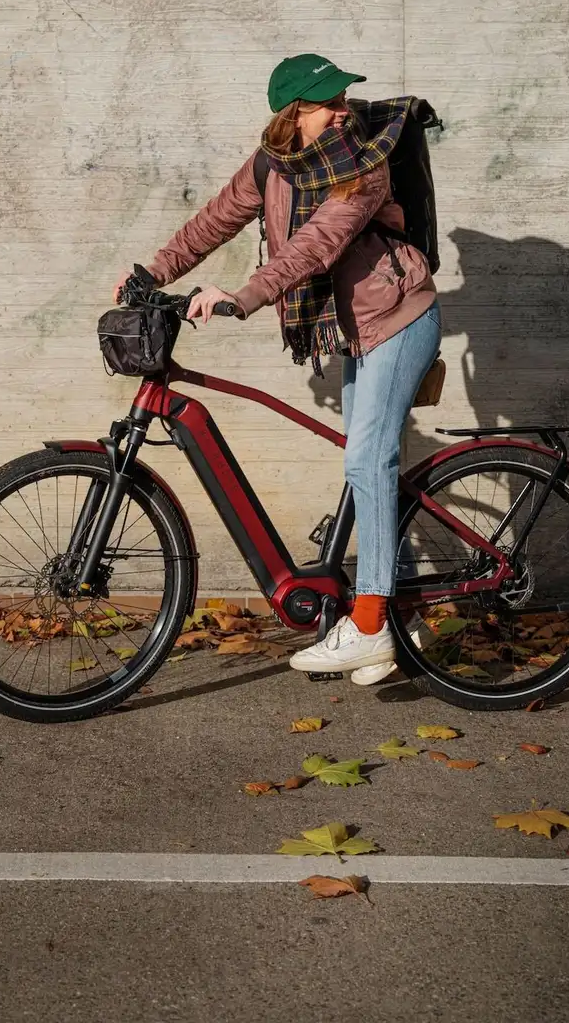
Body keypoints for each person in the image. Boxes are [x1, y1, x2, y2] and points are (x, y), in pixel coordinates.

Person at [113, 52, 440, 681]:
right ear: (296, 114)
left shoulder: (362, 162)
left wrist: (243, 295)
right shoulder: (272, 163)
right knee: (366, 461)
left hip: (399, 317)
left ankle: (371, 624)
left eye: (344, 98)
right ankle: (402, 609)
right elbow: (216, 220)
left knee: (368, 460)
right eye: (330, 102)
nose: (346, 109)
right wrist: (152, 272)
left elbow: (318, 244)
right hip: (356, 328)